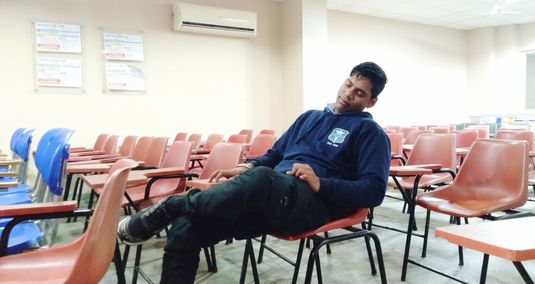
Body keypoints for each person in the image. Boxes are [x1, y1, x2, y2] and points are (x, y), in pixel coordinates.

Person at [117, 62, 391, 283]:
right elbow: (274, 155)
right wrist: (245, 167)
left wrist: (322, 183)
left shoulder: (370, 133)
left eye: (359, 93)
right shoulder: (310, 116)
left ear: (372, 102)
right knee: (186, 228)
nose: (348, 94)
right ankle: (176, 213)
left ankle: (171, 205)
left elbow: (374, 191)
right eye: (348, 85)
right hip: (272, 195)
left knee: (262, 180)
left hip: (312, 203)